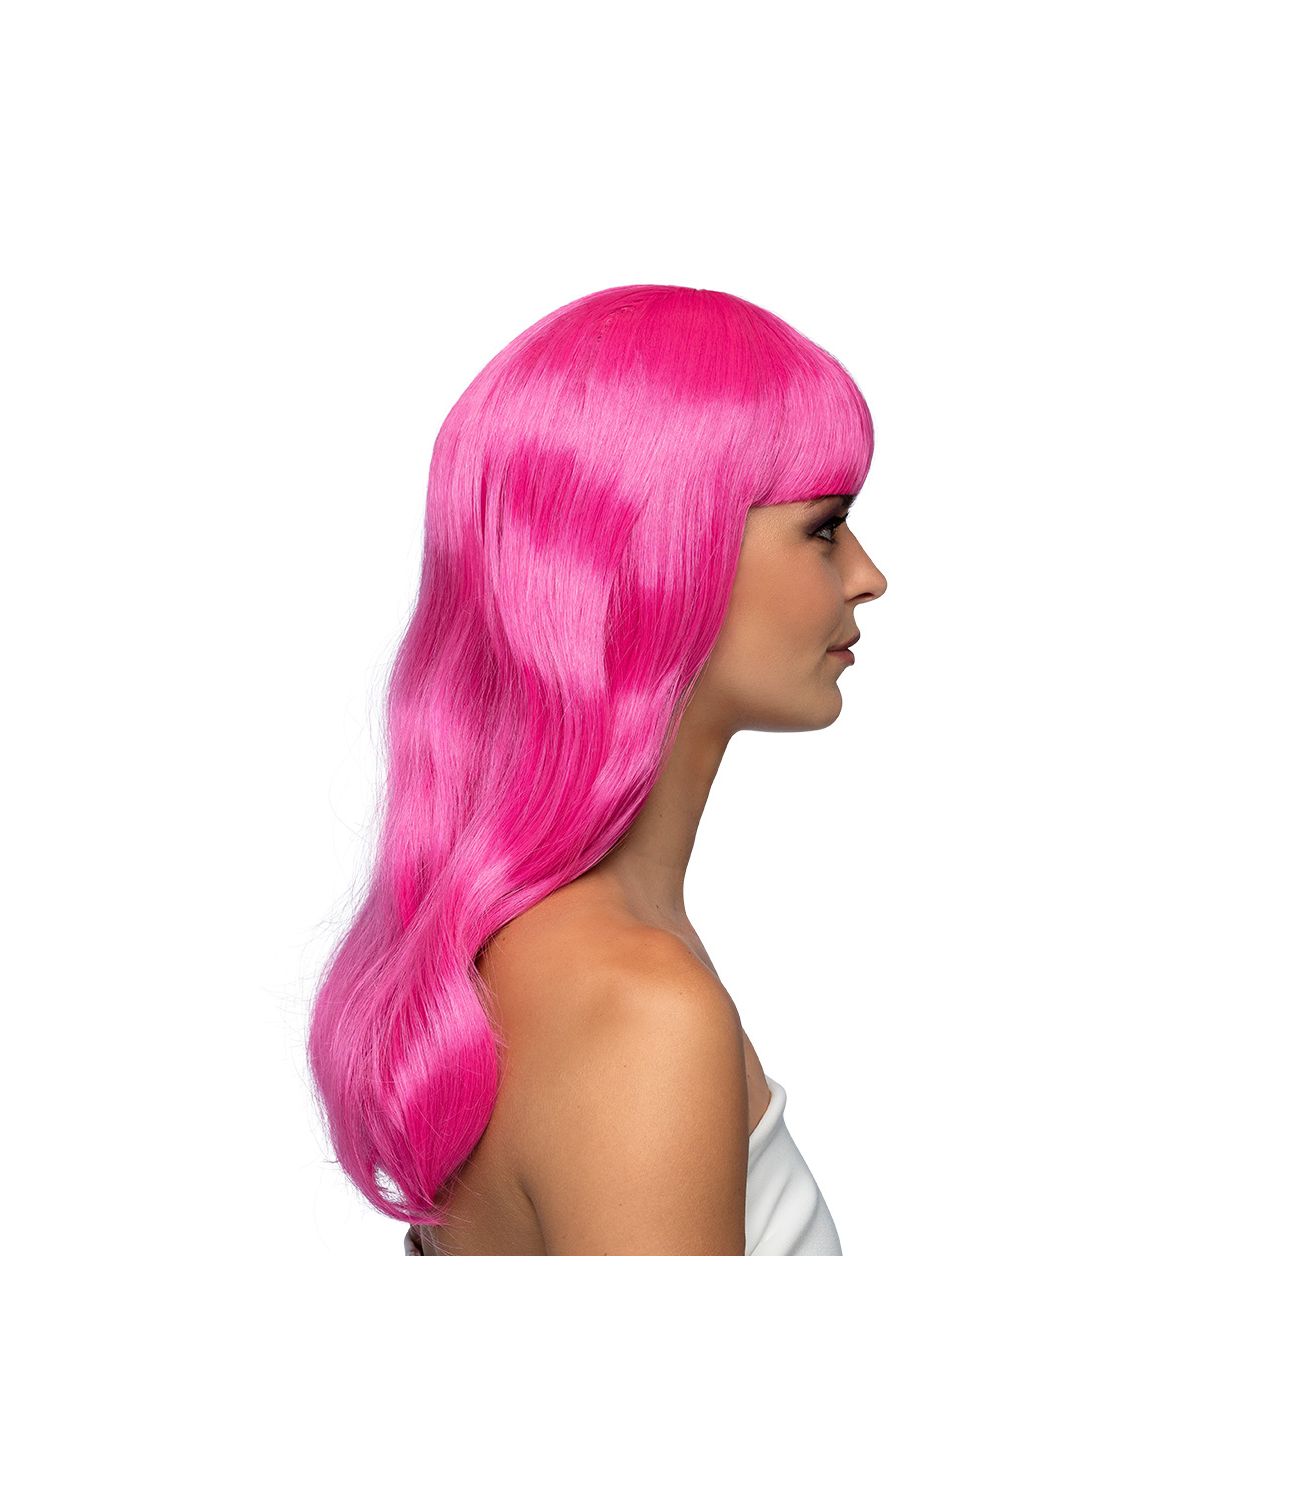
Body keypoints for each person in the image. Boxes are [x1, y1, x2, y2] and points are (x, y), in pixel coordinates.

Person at [307, 284, 887, 1254]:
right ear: (663, 553)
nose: (868, 575)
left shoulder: (522, 966)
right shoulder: (639, 1011)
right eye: (825, 527)